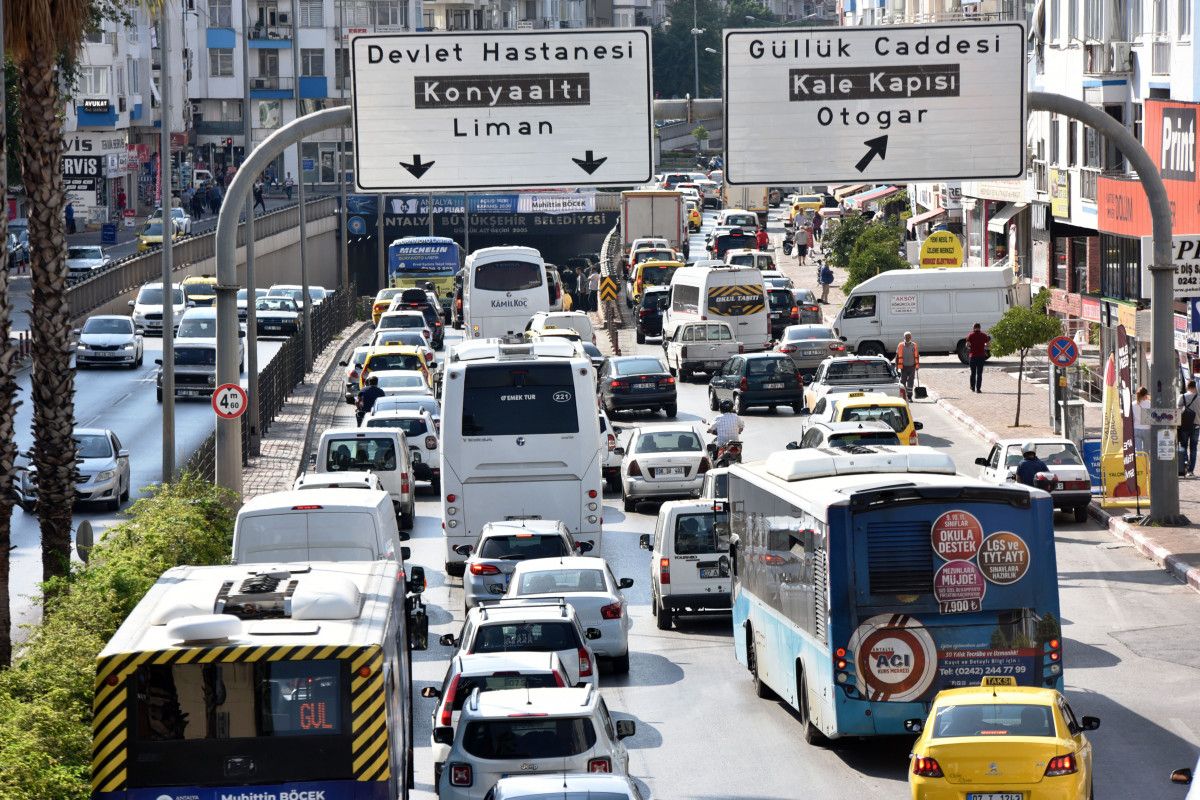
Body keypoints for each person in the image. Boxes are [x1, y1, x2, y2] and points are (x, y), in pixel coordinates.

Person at [1180, 380, 1200, 476]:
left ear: (1187, 387)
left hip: (1184, 425)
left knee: (1183, 446)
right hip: (1196, 426)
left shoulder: (1182, 397)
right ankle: (1190, 471)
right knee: (1193, 448)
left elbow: (1177, 410)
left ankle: (1185, 464)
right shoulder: (1199, 398)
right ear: (1195, 387)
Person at [966, 322, 991, 393]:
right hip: (981, 356)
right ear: (980, 328)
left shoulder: (970, 335)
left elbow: (967, 345)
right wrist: (983, 346)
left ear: (974, 328)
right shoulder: (984, 335)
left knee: (973, 373)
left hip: (972, 356)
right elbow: (988, 345)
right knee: (979, 374)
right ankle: (978, 389)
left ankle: (972, 387)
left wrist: (970, 347)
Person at [895, 331, 919, 398]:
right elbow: (897, 356)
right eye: (906, 337)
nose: (908, 338)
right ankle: (904, 395)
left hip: (912, 366)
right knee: (903, 381)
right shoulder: (900, 345)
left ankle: (909, 396)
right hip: (903, 367)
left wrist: (917, 366)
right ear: (904, 337)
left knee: (911, 382)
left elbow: (917, 356)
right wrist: (896, 366)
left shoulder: (914, 345)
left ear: (911, 337)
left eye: (909, 337)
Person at [1134, 386, 1151, 456]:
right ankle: (1146, 465)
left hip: (1136, 428)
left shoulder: (1133, 404)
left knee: (1138, 450)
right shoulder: (1148, 403)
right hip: (1146, 428)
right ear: (1145, 395)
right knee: (1146, 450)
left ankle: (1139, 465)